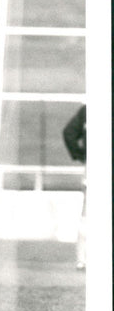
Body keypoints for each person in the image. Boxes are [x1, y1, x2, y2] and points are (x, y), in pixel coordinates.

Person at [62, 104, 86, 270]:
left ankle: (82, 259)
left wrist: (81, 155)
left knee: (87, 215)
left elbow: (69, 133)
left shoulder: (88, 110)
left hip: (93, 166)